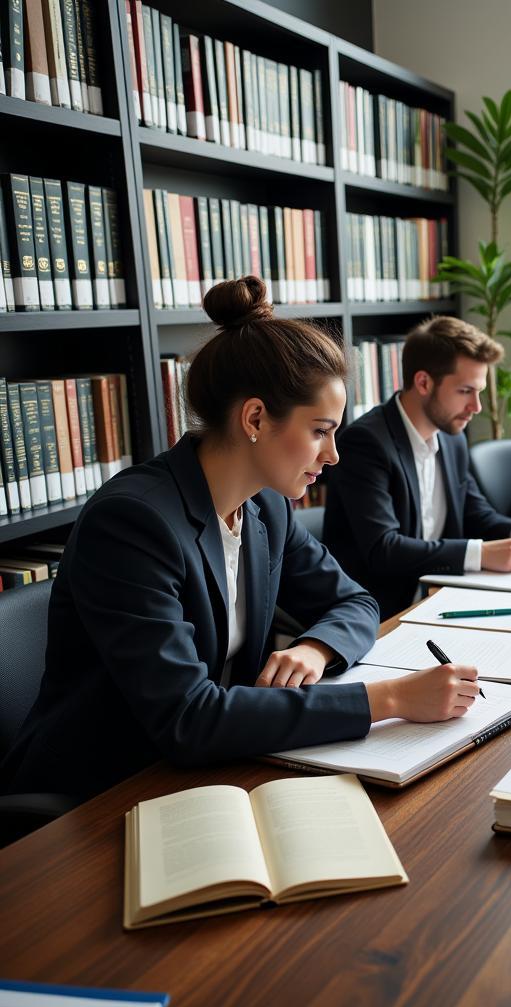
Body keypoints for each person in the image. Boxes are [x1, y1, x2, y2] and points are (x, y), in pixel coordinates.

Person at [1, 278, 480, 803]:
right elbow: (188, 716)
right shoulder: (132, 523)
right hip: (104, 791)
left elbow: (354, 600)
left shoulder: (264, 506)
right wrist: (388, 699)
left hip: (216, 766)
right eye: (320, 431)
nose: (334, 455)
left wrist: (317, 648)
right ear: (254, 418)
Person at [323, 316, 511, 621]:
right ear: (424, 382)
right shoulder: (366, 442)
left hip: (439, 597)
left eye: (479, 391)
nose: (476, 407)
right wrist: (481, 554)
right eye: (466, 391)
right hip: (380, 611)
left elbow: (474, 512)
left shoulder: (451, 439)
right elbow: (384, 549)